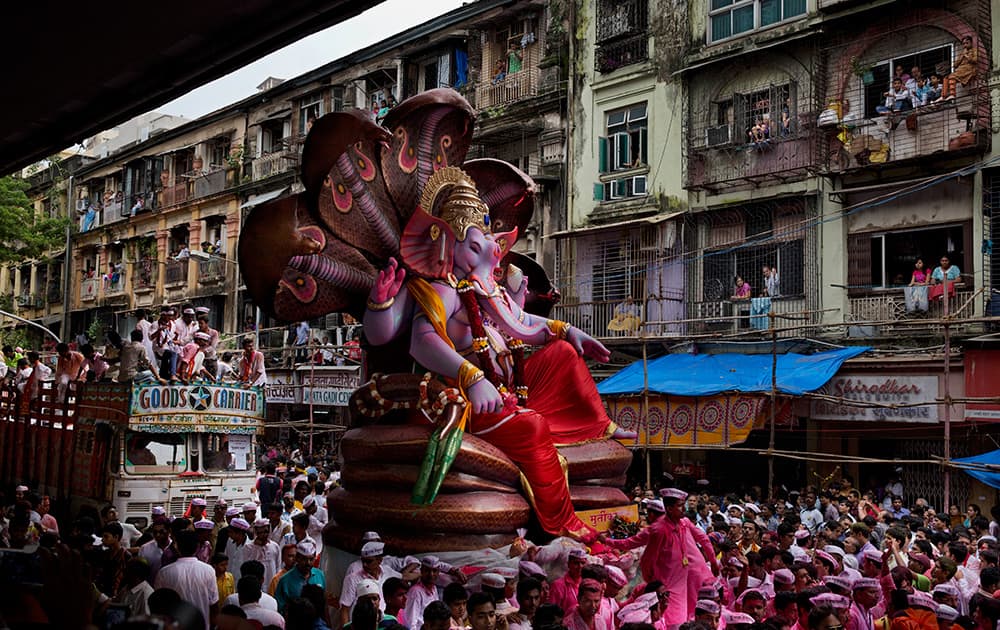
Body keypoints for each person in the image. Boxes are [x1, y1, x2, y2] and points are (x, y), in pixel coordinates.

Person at [601, 488, 719, 626]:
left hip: (687, 581)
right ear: (669, 509)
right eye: (680, 506)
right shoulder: (659, 530)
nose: (684, 509)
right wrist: (654, 584)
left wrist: (713, 562)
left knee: (694, 618)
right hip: (669, 586)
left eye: (683, 505)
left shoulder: (684, 522)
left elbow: (704, 539)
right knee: (676, 621)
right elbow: (647, 560)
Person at [155, 530, 220, 630]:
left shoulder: (164, 573)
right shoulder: (209, 570)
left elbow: (159, 606)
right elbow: (214, 604)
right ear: (197, 546)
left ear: (176, 546)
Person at [275, 540, 326, 614]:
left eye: (311, 559)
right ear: (297, 559)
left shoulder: (320, 575)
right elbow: (281, 607)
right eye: (304, 559)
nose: (308, 563)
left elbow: (324, 603)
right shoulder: (285, 580)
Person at [937, 36, 978, 103]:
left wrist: (966, 56)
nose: (965, 45)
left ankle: (952, 94)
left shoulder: (974, 50)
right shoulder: (962, 53)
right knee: (946, 78)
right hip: (960, 70)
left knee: (951, 77)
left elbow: (975, 60)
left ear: (971, 43)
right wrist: (962, 56)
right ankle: (943, 96)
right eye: (964, 44)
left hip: (968, 69)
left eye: (967, 43)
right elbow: (955, 65)